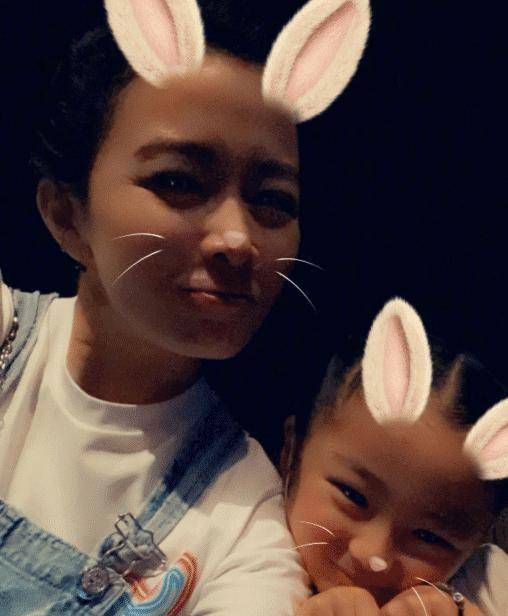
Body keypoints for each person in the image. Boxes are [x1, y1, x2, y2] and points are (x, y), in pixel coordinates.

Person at [0, 0, 371, 613]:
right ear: (66, 214)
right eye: (178, 181)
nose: (239, 238)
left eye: (273, 199)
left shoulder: (242, 512)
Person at [281, 298, 508, 615]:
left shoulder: (491, 588)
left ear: (477, 540)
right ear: (291, 454)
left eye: (429, 537)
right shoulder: (237, 530)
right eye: (353, 495)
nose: (373, 555)